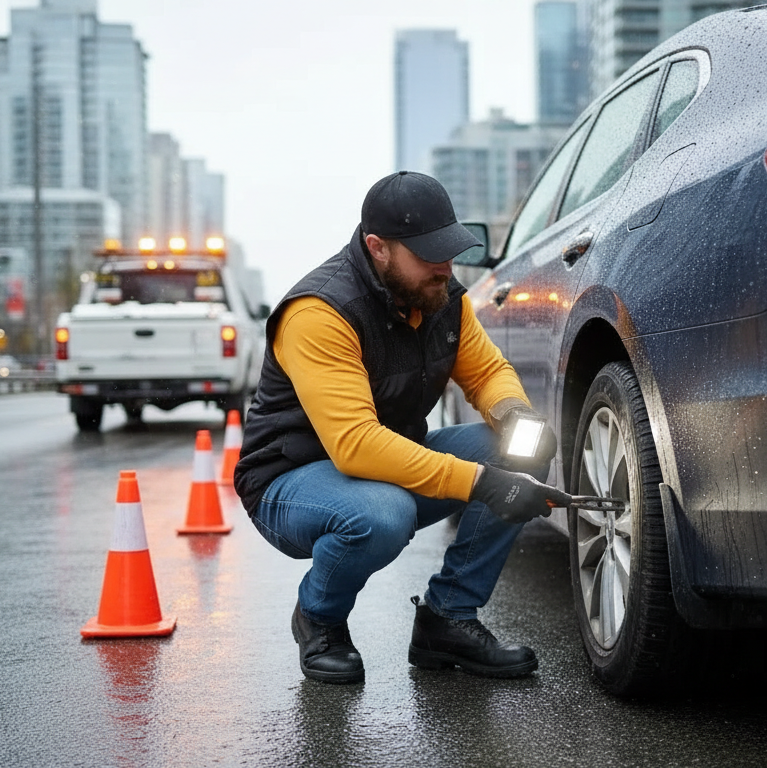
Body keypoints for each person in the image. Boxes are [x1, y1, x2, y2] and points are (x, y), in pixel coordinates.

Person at [234, 170, 573, 685]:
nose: (444, 267)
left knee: (517, 450)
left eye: (449, 251)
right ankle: (319, 619)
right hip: (291, 480)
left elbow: (485, 372)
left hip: (387, 461)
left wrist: (514, 414)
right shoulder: (320, 312)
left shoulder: (440, 296)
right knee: (383, 515)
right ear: (378, 248)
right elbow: (356, 446)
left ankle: (448, 619)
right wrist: (482, 483)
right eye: (427, 254)